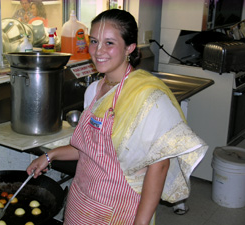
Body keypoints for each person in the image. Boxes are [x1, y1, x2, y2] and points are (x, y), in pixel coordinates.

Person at [27, 9, 208, 225]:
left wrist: (141, 223)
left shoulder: (148, 97)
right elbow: (89, 148)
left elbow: (158, 167)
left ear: (129, 48)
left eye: (109, 43)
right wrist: (49, 156)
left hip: (120, 208)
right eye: (94, 41)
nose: (98, 51)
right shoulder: (93, 90)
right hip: (81, 200)